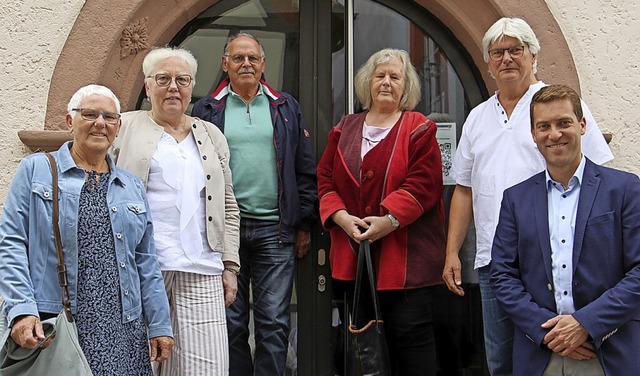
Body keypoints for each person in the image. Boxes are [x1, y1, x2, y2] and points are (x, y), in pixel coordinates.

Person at [441, 17, 613, 375]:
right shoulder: (477, 118)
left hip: (554, 253)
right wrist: (452, 252)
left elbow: (596, 176)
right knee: (501, 359)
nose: (507, 59)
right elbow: (464, 189)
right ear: (488, 62)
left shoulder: (558, 106)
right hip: (495, 262)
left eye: (515, 50)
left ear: (533, 54)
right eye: (498, 52)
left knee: (557, 353)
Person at [0, 84, 174, 374]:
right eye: (90, 114)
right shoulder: (36, 170)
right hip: (58, 323)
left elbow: (146, 261)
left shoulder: (130, 185)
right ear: (70, 122)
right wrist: (22, 309)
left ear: (117, 127)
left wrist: (159, 323)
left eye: (109, 117)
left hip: (123, 330)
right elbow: (11, 242)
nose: (99, 123)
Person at [490, 84, 640, 376]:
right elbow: (502, 274)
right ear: (533, 134)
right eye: (543, 126)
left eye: (564, 123)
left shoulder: (624, 189)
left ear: (582, 125)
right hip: (540, 354)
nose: (554, 134)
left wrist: (586, 323)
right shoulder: (515, 198)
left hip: (608, 351)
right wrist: (547, 332)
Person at [191, 33, 317, 376]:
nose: (246, 64)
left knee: (273, 323)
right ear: (225, 64)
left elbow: (304, 169)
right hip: (223, 233)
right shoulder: (206, 109)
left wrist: (305, 223)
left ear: (263, 64)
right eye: (238, 58)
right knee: (230, 323)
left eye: (252, 58)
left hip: (276, 230)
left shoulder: (285, 106)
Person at [110, 47, 240, 375]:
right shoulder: (123, 126)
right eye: (163, 79)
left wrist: (230, 265)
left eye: (182, 80)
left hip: (202, 267)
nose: (173, 87)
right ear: (147, 85)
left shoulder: (210, 134)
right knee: (140, 366)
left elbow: (228, 204)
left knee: (207, 369)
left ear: (192, 85)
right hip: (140, 269)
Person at [317, 48, 445, 376]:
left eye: (394, 77)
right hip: (355, 260)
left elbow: (424, 184)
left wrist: (389, 220)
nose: (386, 82)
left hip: (407, 262)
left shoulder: (420, 128)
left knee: (411, 344)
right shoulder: (344, 128)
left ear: (406, 87)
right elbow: (325, 180)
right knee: (366, 350)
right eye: (380, 76)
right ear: (367, 83)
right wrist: (342, 218)